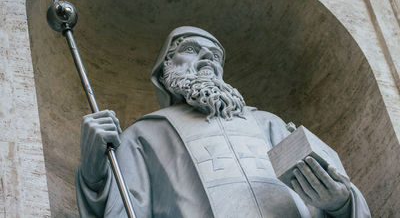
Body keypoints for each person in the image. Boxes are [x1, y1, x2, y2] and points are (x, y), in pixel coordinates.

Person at [75, 26, 371, 217]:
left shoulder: (270, 124)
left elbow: (333, 194)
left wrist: (341, 203)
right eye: (190, 49)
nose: (207, 58)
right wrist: (94, 171)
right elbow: (121, 209)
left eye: (215, 55)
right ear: (166, 65)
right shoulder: (144, 134)